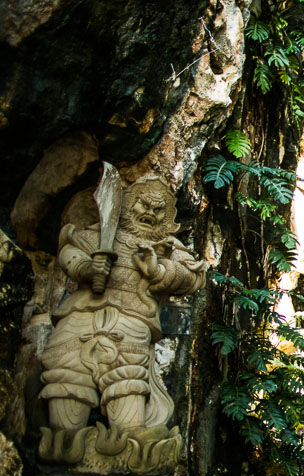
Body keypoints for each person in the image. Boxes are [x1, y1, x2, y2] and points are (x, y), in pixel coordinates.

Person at [39, 176, 206, 443]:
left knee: (127, 380)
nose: (150, 213)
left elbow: (193, 276)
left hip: (130, 323)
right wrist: (86, 268)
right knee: (67, 377)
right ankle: (62, 443)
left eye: (157, 209)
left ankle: (129, 444)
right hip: (80, 317)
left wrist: (158, 269)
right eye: (144, 205)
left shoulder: (166, 246)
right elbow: (70, 250)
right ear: (129, 205)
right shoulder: (101, 234)